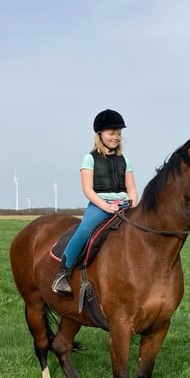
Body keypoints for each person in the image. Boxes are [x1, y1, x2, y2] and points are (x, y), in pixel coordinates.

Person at [52, 109, 139, 294]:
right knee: (84, 230)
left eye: (119, 133)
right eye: (111, 133)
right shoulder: (90, 158)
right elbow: (87, 190)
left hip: (124, 205)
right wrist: (107, 206)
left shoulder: (125, 160)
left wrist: (132, 203)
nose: (115, 137)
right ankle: (63, 273)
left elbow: (131, 188)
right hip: (101, 205)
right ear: (100, 134)